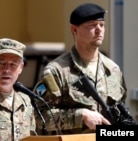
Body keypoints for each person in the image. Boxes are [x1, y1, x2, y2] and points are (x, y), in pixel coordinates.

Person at [33, 3, 129, 134]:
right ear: (74, 30)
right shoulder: (57, 71)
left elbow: (122, 110)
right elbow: (40, 116)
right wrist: (80, 116)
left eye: (101, 25)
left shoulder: (113, 70)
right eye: (92, 25)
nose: (99, 30)